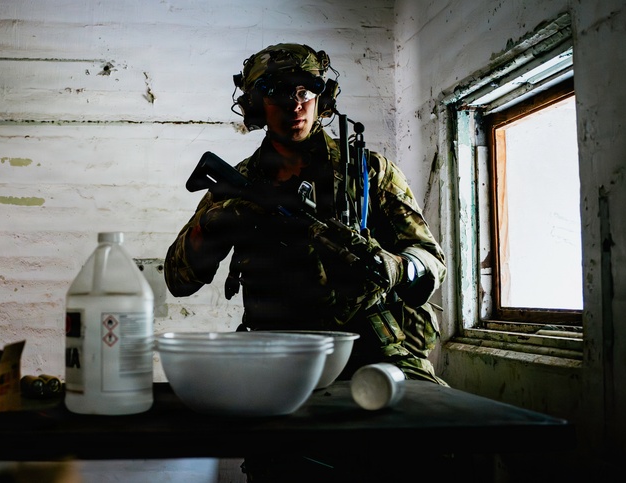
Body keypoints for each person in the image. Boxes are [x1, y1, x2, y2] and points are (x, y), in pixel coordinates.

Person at [163, 41, 448, 482]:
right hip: (281, 360)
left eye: (305, 90)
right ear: (257, 103)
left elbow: (429, 258)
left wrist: (396, 267)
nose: (294, 104)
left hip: (377, 349)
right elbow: (178, 278)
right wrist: (213, 228)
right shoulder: (236, 185)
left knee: (429, 444)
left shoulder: (368, 171)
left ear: (321, 96)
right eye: (278, 91)